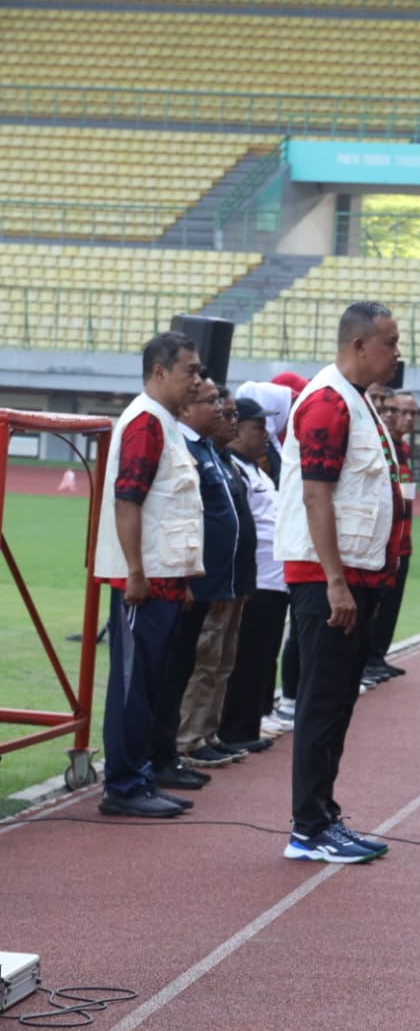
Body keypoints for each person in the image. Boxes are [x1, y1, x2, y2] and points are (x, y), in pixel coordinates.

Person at [277, 301, 403, 864]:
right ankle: (307, 829)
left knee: (336, 704)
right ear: (359, 346)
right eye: (390, 343)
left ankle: (322, 815)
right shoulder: (329, 403)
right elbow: (315, 495)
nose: (397, 354)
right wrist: (334, 582)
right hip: (329, 579)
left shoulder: (356, 401)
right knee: (322, 704)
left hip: (354, 575)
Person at [94, 332, 205, 818]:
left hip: (163, 579)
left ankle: (139, 776)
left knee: (149, 685)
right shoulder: (145, 423)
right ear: (159, 372)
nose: (197, 381)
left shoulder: (165, 422)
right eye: (190, 371)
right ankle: (123, 785)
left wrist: (177, 580)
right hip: (142, 583)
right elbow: (127, 501)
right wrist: (136, 572)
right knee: (132, 687)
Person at [176, 385, 258, 768]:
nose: (230, 421)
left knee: (222, 663)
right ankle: (187, 738)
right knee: (203, 663)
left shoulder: (217, 455)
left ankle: (208, 732)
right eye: (222, 412)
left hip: (231, 580)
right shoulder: (192, 452)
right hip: (208, 581)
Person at [217, 396, 294, 746]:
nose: (265, 433)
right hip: (256, 580)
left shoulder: (254, 468)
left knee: (261, 659)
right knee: (246, 661)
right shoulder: (233, 467)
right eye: (257, 426)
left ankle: (247, 727)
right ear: (237, 432)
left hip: (273, 580)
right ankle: (234, 731)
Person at [365, 389, 416, 686]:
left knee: (392, 604)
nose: (407, 419)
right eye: (401, 412)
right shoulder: (383, 449)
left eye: (413, 413)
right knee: (378, 604)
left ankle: (378, 656)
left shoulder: (404, 449)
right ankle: (368, 658)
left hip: (403, 541)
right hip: (386, 543)